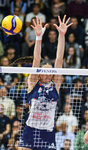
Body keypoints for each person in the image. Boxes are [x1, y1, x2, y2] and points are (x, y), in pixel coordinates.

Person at [16, 15, 72, 150]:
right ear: (39, 72)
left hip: (47, 132)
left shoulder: (55, 84)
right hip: (30, 130)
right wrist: (39, 37)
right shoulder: (33, 82)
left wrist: (62, 35)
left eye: (50, 71)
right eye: (44, 71)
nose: (48, 73)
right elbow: (36, 60)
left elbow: (59, 59)